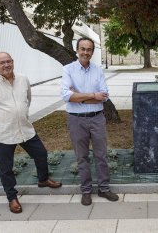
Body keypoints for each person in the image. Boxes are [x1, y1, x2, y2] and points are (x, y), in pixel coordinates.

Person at [0, 52, 62, 214]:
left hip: (24, 128)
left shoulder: (23, 79)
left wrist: (18, 112)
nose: (6, 65)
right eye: (1, 62)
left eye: (8, 61)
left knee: (41, 153)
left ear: (13, 62)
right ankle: (12, 198)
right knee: (6, 167)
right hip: (2, 132)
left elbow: (27, 100)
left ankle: (43, 180)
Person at [61, 37, 118, 206]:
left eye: (89, 49)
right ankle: (86, 191)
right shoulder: (68, 69)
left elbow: (104, 96)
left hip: (97, 118)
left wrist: (78, 97)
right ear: (77, 50)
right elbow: (66, 96)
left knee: (101, 154)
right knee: (82, 157)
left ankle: (104, 188)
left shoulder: (98, 70)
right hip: (76, 120)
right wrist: (93, 96)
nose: (86, 52)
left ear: (92, 52)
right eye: (82, 49)